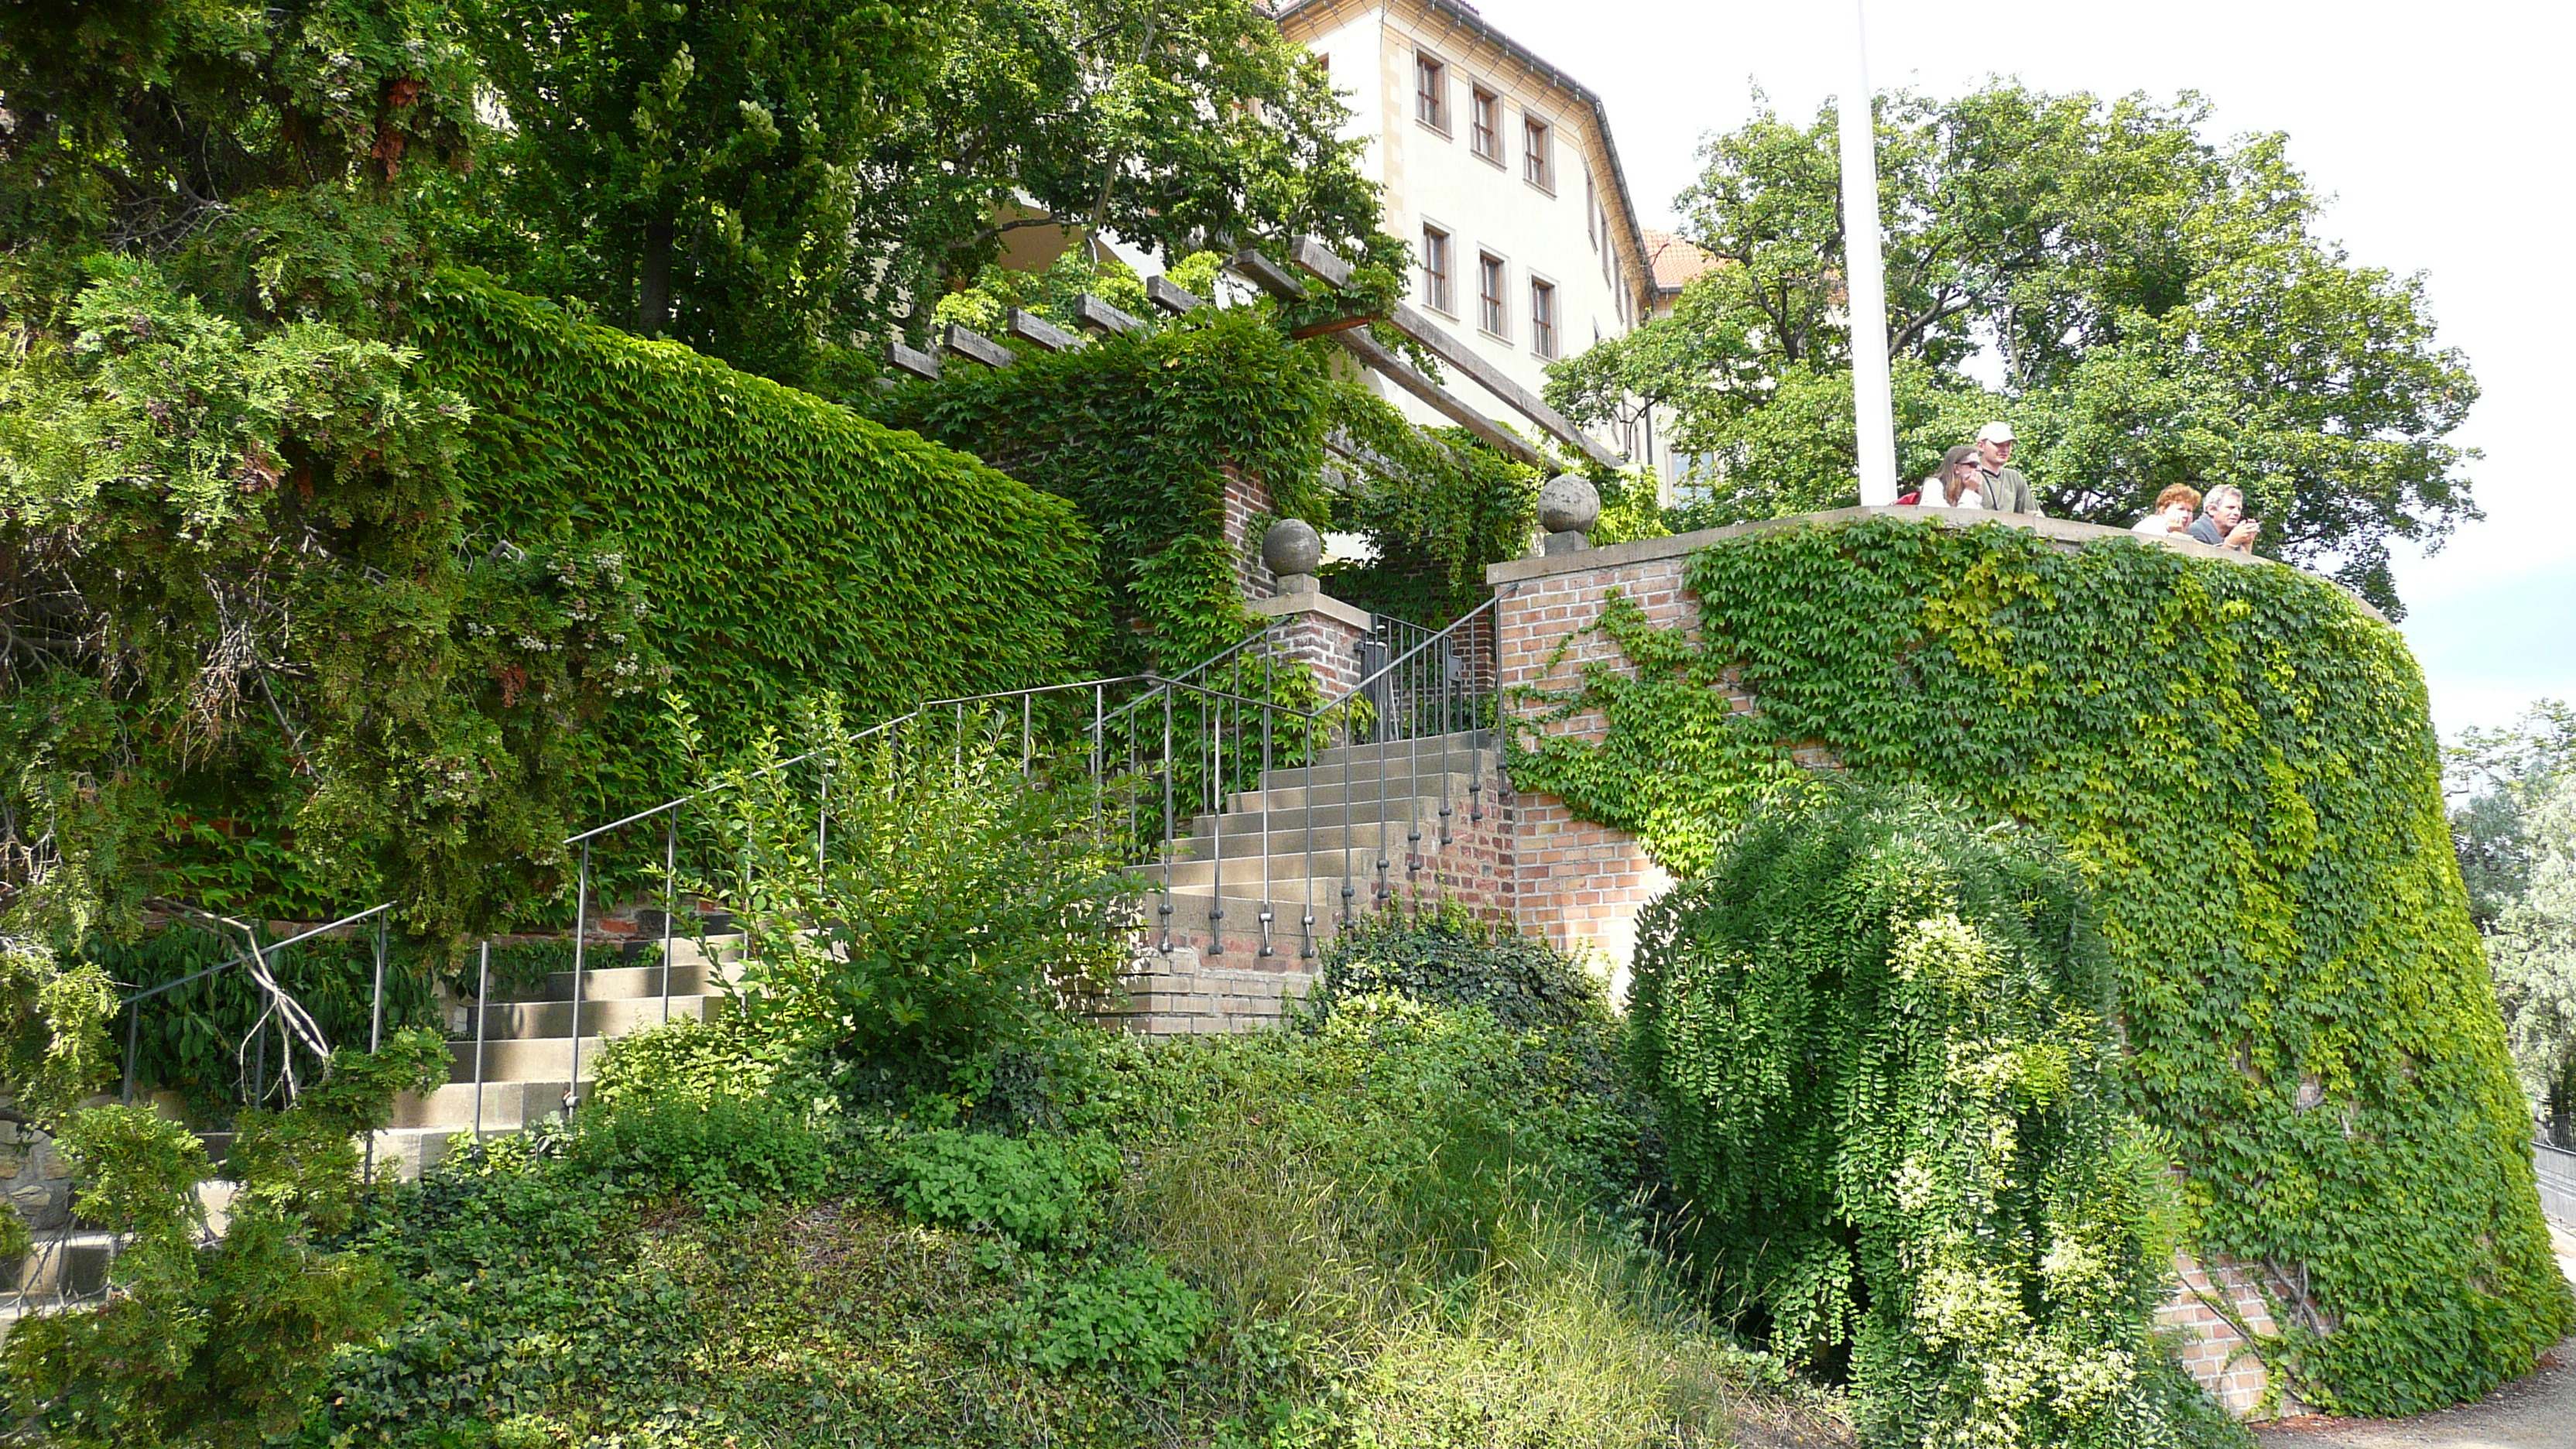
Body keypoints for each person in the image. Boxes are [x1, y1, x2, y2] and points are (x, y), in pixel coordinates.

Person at [1972, 422, 2040, 515]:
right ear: (1981, 446)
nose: (2005, 449)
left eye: (2008, 445)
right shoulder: (1971, 475)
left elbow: (2033, 514)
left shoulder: (2014, 478)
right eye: (1998, 444)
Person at [2187, 484, 2261, 552]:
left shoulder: (2233, 534)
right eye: (2231, 508)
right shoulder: (2195, 531)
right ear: (2212, 510)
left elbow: (2244, 565)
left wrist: (2247, 542)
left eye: (2239, 509)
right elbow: (2206, 564)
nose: (2237, 513)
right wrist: (2231, 543)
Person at [1929, 444, 1985, 509]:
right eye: (1974, 465)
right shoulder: (1933, 485)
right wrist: (1970, 490)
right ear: (1957, 468)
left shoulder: (1973, 490)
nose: (1980, 469)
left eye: (1980, 465)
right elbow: (1958, 516)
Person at [2132, 483, 2200, 536]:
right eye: (2181, 509)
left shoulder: (2188, 531)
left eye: (2189, 511)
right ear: (2163, 511)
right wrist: (2176, 534)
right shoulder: (2150, 526)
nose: (2185, 515)